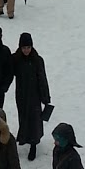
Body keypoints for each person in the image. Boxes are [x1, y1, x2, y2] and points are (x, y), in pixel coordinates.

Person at [12, 31, 51, 161]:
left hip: (35, 96)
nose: (26, 50)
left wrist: (45, 98)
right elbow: (8, 74)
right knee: (23, 117)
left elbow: (42, 79)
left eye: (28, 47)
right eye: (24, 48)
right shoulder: (16, 59)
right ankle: (23, 138)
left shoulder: (37, 60)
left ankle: (33, 144)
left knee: (34, 120)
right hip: (21, 95)